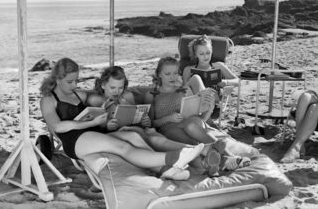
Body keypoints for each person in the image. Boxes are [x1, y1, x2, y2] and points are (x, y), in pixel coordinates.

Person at [39, 58, 204, 181]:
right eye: (70, 81)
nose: (74, 85)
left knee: (133, 137)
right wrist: (90, 123)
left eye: (76, 80)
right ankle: (173, 157)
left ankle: (166, 170)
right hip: (74, 139)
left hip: (93, 132)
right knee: (122, 146)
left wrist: (106, 106)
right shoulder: (48, 99)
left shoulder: (78, 94)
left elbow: (96, 100)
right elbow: (57, 127)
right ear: (58, 79)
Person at [92, 65, 223, 176]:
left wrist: (145, 121)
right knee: (156, 140)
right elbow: (95, 130)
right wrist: (108, 126)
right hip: (123, 135)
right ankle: (201, 152)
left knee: (158, 138)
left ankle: (205, 161)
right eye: (113, 88)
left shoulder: (127, 96)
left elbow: (139, 118)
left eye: (120, 88)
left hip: (139, 130)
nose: (117, 91)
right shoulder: (97, 101)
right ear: (103, 85)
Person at [146, 56, 250, 172]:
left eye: (175, 73)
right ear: (159, 74)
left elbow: (202, 118)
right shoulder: (152, 94)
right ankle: (224, 160)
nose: (172, 77)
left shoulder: (183, 90)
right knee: (194, 144)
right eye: (167, 74)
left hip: (191, 121)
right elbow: (150, 123)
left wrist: (209, 108)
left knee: (191, 125)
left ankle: (229, 157)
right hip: (169, 127)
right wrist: (168, 118)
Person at [182, 35, 239, 118]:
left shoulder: (218, 66)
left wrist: (225, 82)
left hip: (213, 104)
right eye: (201, 54)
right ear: (195, 54)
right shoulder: (188, 70)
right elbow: (184, 91)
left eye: (208, 53)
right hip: (195, 104)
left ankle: (204, 114)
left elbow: (238, 81)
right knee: (195, 80)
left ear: (212, 51)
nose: (206, 56)